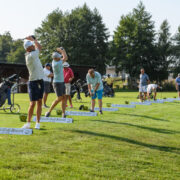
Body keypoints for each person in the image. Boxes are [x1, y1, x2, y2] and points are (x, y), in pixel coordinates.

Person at [22, 36, 44, 129]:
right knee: (32, 103)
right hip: (33, 82)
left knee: (39, 102)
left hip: (40, 80)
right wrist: (34, 40)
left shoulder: (33, 53)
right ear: (28, 48)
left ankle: (38, 123)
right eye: (31, 46)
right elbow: (40, 47)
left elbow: (38, 47)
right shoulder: (31, 56)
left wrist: (33, 41)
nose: (33, 46)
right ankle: (28, 123)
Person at [45, 47, 68, 118]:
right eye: (58, 57)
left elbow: (63, 57)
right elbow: (65, 57)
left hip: (61, 82)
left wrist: (60, 51)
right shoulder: (57, 64)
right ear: (56, 58)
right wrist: (62, 50)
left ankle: (63, 113)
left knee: (64, 97)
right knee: (60, 98)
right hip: (57, 83)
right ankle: (49, 111)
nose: (60, 58)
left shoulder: (55, 61)